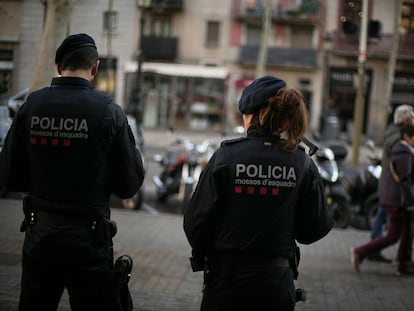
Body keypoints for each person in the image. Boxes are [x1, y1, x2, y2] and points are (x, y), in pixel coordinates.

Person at [0, 33, 144, 310]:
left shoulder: (31, 106)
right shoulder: (109, 111)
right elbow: (129, 185)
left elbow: (9, 177)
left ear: (58, 66)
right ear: (95, 68)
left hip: (40, 233)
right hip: (89, 238)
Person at [183, 75, 334, 311]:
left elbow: (195, 223)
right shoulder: (302, 163)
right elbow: (316, 228)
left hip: (225, 284)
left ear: (251, 116)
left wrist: (208, 254)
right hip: (275, 286)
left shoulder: (226, 157)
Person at [352, 123, 414, 275]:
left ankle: (404, 264)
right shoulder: (404, 153)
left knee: (406, 233)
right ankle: (360, 252)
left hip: (396, 199)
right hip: (398, 200)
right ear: (406, 137)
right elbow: (404, 180)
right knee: (394, 235)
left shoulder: (401, 150)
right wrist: (411, 202)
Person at [368, 104, 414, 263]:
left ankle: (372, 250)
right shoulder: (398, 137)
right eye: (412, 118)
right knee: (384, 222)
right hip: (393, 186)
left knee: (381, 218)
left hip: (388, 184)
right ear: (405, 120)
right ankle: (370, 251)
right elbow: (401, 166)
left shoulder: (392, 132)